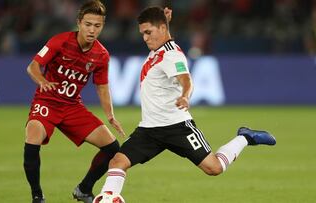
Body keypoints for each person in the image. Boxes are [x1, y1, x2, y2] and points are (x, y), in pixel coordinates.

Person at [93, 6, 276, 202]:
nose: (145, 38)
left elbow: (186, 79)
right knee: (117, 162)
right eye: (142, 33)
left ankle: (245, 137)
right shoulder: (160, 47)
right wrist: (165, 21)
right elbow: (164, 35)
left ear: (162, 28)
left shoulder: (172, 55)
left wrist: (186, 96)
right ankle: (108, 197)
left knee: (214, 168)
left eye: (148, 32)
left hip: (177, 127)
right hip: (149, 129)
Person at [23, 1, 125, 203]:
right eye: (88, 24)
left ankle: (84, 189)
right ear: (79, 22)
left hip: (72, 107)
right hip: (47, 101)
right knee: (33, 136)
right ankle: (37, 195)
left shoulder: (101, 55)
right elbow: (33, 67)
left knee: (113, 148)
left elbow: (102, 87)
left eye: (97, 26)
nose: (92, 30)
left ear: (102, 26)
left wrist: (110, 115)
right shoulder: (59, 41)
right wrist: (42, 81)